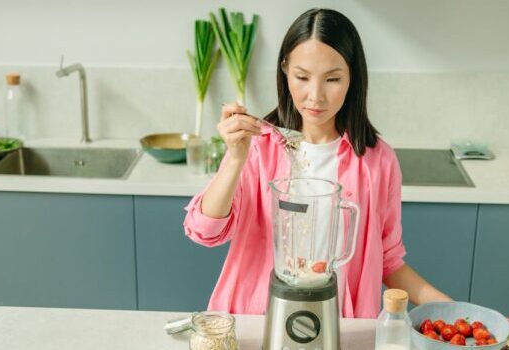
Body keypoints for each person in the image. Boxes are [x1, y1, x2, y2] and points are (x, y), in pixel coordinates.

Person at [183, 8, 452, 318]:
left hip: (338, 326)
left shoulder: (378, 161)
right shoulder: (259, 147)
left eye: (333, 79)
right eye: (302, 77)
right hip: (257, 321)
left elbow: (389, 262)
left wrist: (455, 313)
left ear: (353, 76)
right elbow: (203, 230)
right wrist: (235, 159)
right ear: (285, 70)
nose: (315, 96)